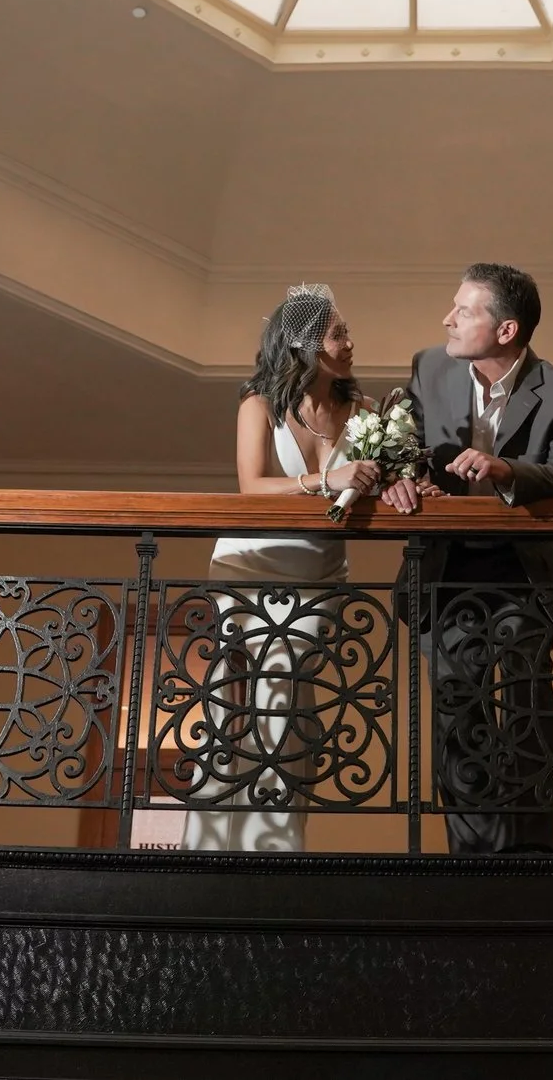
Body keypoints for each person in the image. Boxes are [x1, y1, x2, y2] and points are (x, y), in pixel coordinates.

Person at [381, 263, 553, 854]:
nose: (448, 319)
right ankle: (471, 864)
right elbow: (405, 451)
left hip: (521, 574)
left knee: (527, 714)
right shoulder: (428, 366)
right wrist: (401, 479)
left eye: (465, 310)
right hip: (446, 574)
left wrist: (505, 470)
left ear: (506, 330)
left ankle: (531, 860)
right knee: (457, 717)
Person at [181, 285, 379, 852]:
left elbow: (380, 477)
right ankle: (212, 846)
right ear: (302, 344)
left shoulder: (365, 413)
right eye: (337, 333)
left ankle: (277, 842)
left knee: (288, 707)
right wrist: (326, 481)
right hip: (250, 567)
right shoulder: (259, 405)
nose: (349, 343)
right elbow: (252, 489)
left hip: (320, 575)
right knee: (235, 703)